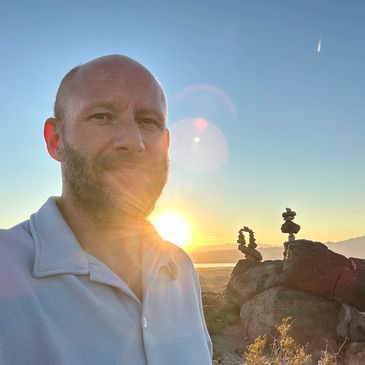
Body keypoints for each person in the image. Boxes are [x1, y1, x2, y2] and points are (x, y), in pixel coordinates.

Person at [0, 55, 212, 365]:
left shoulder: (180, 269)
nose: (133, 141)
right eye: (102, 116)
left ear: (166, 145)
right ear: (56, 139)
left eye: (148, 121)